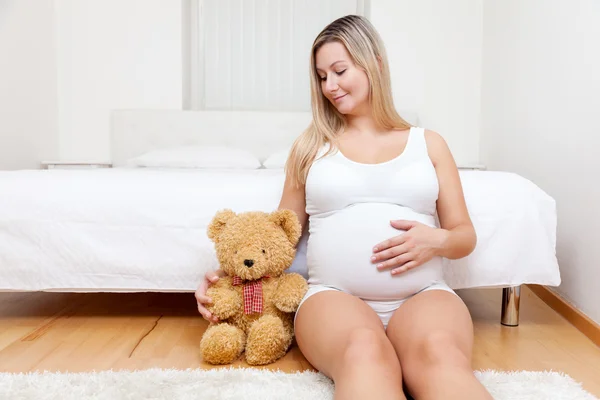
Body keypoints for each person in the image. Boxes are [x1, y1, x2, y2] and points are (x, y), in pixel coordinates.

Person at [196, 14, 492, 400]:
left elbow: (464, 236)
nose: (329, 86)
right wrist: (226, 272)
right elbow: (279, 237)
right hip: (333, 296)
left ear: (374, 65)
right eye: (321, 77)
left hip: (424, 294)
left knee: (440, 355)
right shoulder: (310, 148)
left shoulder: (429, 144)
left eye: (339, 71)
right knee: (363, 353)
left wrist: (436, 241)